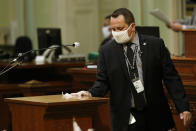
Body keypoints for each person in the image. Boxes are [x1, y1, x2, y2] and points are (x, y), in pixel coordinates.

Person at [72, 8, 192, 131]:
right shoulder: (106, 51)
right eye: (113, 29)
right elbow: (102, 82)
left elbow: (171, 78)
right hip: (126, 117)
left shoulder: (155, 45)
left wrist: (183, 107)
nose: (116, 33)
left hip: (156, 114)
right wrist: (90, 93)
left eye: (120, 28)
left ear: (132, 26)